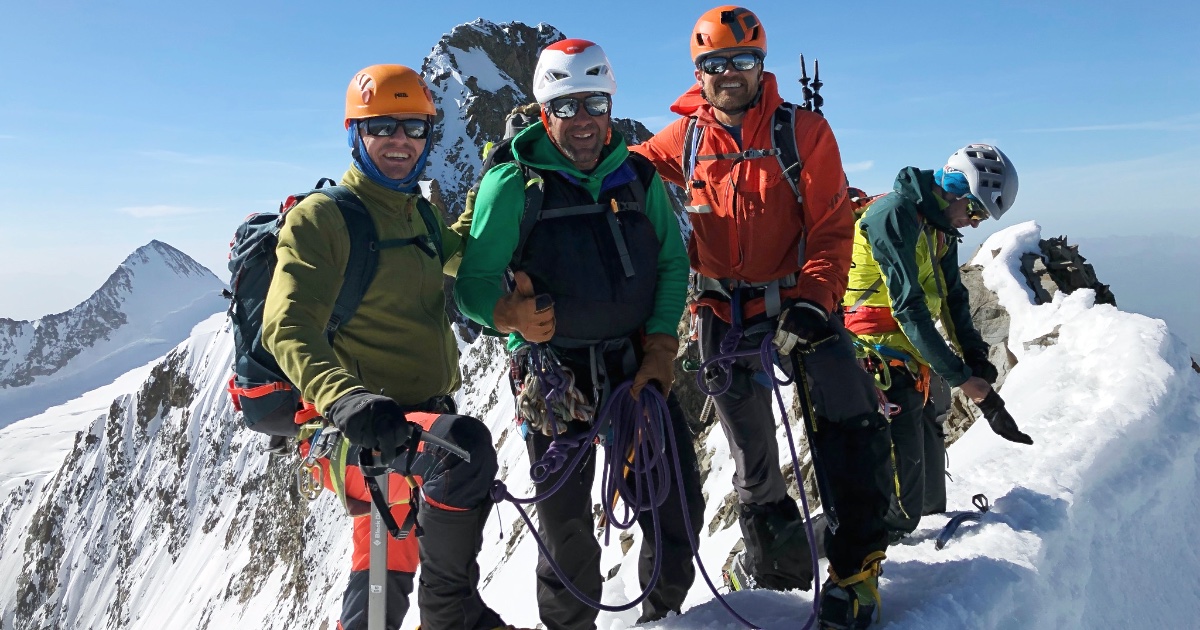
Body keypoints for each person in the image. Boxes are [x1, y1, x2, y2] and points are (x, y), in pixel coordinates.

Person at [630, 6, 895, 628]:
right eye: (715, 65)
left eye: (742, 62)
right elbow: (630, 164)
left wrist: (814, 297)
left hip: (798, 303)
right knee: (751, 455)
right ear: (699, 72)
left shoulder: (802, 132)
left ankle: (856, 570)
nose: (729, 75)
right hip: (722, 314)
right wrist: (542, 159)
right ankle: (776, 572)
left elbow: (833, 226)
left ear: (760, 65)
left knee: (844, 425)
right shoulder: (687, 137)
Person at [453, 39, 705, 630]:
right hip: (552, 371)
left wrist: (663, 347)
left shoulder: (636, 175)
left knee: (675, 511)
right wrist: (509, 318)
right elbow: (472, 285)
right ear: (545, 113)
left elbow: (672, 263)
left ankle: (661, 616)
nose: (583, 120)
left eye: (593, 102)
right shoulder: (513, 184)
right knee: (567, 529)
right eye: (566, 107)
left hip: (633, 363)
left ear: (610, 104)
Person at [262, 64, 523, 630]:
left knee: (381, 577)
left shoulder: (417, 213)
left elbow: (456, 247)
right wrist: (347, 400)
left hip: (408, 427)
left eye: (415, 127)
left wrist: (494, 186)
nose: (401, 141)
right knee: (465, 452)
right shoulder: (323, 218)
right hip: (355, 431)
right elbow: (285, 326)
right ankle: (452, 616)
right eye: (383, 126)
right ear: (355, 133)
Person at [843, 144, 1033, 540]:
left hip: (908, 356)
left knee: (930, 497)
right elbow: (909, 309)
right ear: (955, 189)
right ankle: (803, 552)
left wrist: (976, 359)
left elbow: (953, 299)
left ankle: (915, 550)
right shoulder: (893, 215)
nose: (976, 223)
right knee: (901, 507)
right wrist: (965, 381)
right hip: (871, 354)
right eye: (977, 211)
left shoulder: (939, 229)